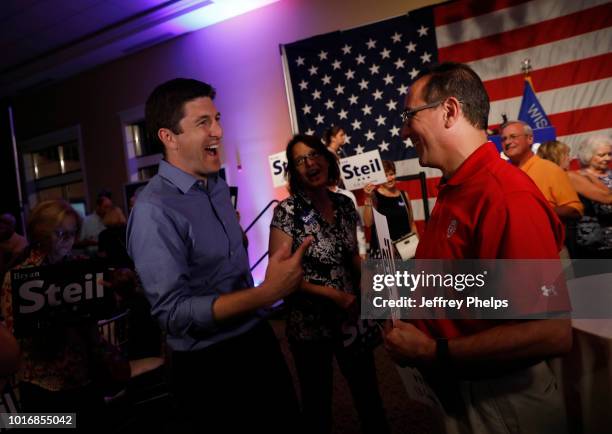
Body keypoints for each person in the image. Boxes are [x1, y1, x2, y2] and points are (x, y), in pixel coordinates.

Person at [384, 62, 572, 434]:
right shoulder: (456, 189)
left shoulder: (506, 195)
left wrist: (431, 352)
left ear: (450, 111)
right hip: (464, 391)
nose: (404, 130)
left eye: (410, 116)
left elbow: (551, 332)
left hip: (502, 403)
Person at [127, 78, 311, 433]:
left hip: (256, 341)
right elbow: (174, 314)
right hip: (207, 365)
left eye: (217, 119)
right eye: (203, 123)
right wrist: (266, 293)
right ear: (169, 137)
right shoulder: (154, 210)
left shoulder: (214, 186)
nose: (219, 131)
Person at [270, 134, 388, 434]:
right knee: (317, 406)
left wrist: (370, 283)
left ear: (326, 157)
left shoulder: (344, 205)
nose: (310, 163)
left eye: (314, 154)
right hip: (310, 327)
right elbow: (277, 279)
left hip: (350, 320)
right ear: (294, 172)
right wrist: (333, 295)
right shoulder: (288, 212)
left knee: (369, 397)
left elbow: (353, 256)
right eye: (300, 160)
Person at [0, 200, 129, 429]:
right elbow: (15, 336)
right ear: (41, 233)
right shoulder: (18, 277)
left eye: (72, 233)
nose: (68, 240)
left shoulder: (80, 266)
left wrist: (115, 289)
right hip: (43, 384)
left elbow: (107, 304)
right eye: (60, 233)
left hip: (85, 374)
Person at [502, 120, 583, 223]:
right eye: (504, 139)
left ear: (530, 139)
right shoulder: (503, 175)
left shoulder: (549, 169)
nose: (507, 142)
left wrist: (537, 211)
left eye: (513, 137)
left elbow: (575, 210)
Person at [362, 160, 418, 259]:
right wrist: (367, 197)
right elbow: (368, 223)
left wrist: (418, 246)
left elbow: (412, 223)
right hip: (383, 253)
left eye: (391, 174)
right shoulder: (374, 196)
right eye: (385, 176)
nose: (389, 178)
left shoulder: (404, 195)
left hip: (406, 250)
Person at [570, 136, 612, 257]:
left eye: (609, 154)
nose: (607, 158)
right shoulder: (578, 177)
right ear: (588, 155)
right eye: (602, 155)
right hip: (594, 242)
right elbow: (604, 204)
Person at [78, 190, 113, 256]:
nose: (108, 210)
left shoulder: (113, 222)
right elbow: (79, 241)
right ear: (98, 207)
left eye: (110, 207)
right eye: (105, 207)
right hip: (93, 256)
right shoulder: (86, 221)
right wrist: (90, 242)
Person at [0, 213, 28, 277]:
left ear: (13, 226)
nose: (1, 225)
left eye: (6, 223)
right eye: (0, 221)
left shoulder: (21, 241)